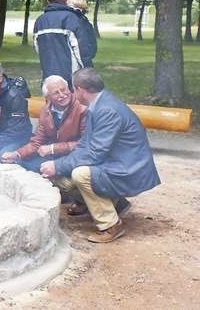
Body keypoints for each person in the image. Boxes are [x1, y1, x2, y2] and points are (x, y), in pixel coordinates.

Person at [40, 68, 161, 243]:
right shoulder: (99, 104)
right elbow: (85, 145)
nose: (73, 93)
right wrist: (57, 165)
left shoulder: (106, 110)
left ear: (81, 89)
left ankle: (111, 224)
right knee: (60, 177)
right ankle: (114, 204)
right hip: (116, 162)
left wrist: (58, 165)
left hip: (129, 169)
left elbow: (94, 153)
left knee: (79, 174)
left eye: (73, 89)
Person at [1, 75, 87, 173]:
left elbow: (85, 144)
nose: (62, 95)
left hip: (77, 158)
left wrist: (53, 148)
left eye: (64, 90)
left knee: (39, 168)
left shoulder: (82, 109)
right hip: (56, 156)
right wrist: (17, 154)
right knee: (20, 162)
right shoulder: (46, 112)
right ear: (48, 97)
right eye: (56, 93)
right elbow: (37, 142)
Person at [33, 0, 95, 88]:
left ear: (49, 1)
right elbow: (80, 50)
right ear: (64, 0)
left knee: (53, 100)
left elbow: (38, 48)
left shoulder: (40, 20)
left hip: (49, 76)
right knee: (71, 101)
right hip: (71, 77)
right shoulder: (71, 18)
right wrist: (87, 71)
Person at [67, 0, 97, 68]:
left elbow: (89, 46)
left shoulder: (81, 23)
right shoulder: (85, 22)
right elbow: (92, 47)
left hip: (77, 63)